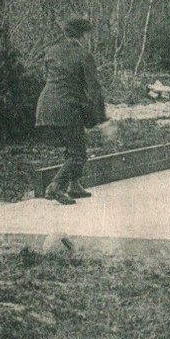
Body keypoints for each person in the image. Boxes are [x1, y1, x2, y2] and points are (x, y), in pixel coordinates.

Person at [35, 16, 106, 205]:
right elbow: (94, 88)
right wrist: (100, 115)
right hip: (67, 108)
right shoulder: (84, 55)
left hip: (45, 105)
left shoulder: (51, 51)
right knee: (78, 154)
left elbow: (48, 77)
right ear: (83, 36)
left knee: (73, 145)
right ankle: (56, 186)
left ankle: (74, 185)